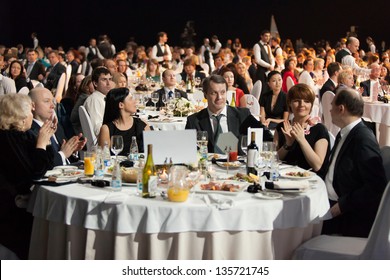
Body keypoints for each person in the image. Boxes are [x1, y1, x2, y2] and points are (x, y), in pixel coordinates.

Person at [323, 88, 387, 237]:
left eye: (332, 106)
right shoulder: (345, 132)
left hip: (345, 217)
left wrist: (342, 206)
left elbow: (376, 186)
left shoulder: (363, 138)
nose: (330, 110)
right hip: (328, 201)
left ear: (341, 109)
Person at [0, 93, 55, 259]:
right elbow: (34, 174)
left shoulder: (25, 134)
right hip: (12, 208)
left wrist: (46, 141)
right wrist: (41, 144)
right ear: (22, 118)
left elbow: (48, 165)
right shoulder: (7, 139)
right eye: (30, 112)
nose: (32, 115)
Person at [185, 75, 272, 154]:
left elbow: (268, 138)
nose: (219, 97)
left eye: (223, 92)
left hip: (237, 167)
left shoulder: (243, 115)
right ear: (205, 95)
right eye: (214, 93)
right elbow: (188, 152)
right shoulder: (193, 121)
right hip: (209, 168)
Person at [274, 84, 330, 178]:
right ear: (290, 104)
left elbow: (317, 165)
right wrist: (287, 145)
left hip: (311, 181)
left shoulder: (319, 130)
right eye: (296, 101)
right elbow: (273, 160)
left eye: (307, 101)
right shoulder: (282, 127)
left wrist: (301, 140)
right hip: (283, 178)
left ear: (311, 105)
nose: (302, 105)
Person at [28, 87, 86, 166]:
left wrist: (72, 149)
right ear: (33, 106)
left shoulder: (56, 126)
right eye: (47, 101)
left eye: (52, 101)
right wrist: (63, 154)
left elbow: (66, 157)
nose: (52, 106)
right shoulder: (29, 131)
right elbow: (41, 166)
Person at [98, 88, 150, 155]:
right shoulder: (106, 129)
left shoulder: (143, 125)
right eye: (131, 99)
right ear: (121, 105)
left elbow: (150, 152)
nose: (135, 101)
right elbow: (103, 158)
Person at [84, 66, 114, 136]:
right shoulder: (94, 100)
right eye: (104, 80)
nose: (108, 83)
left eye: (110, 79)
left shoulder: (103, 98)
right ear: (95, 83)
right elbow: (97, 129)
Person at [253, 30, 275, 94]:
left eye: (268, 36)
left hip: (268, 72)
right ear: (261, 36)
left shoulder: (268, 46)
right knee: (262, 91)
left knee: (269, 90)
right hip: (261, 72)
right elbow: (258, 60)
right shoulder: (257, 46)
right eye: (266, 36)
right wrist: (269, 66)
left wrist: (272, 65)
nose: (267, 38)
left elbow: (271, 57)